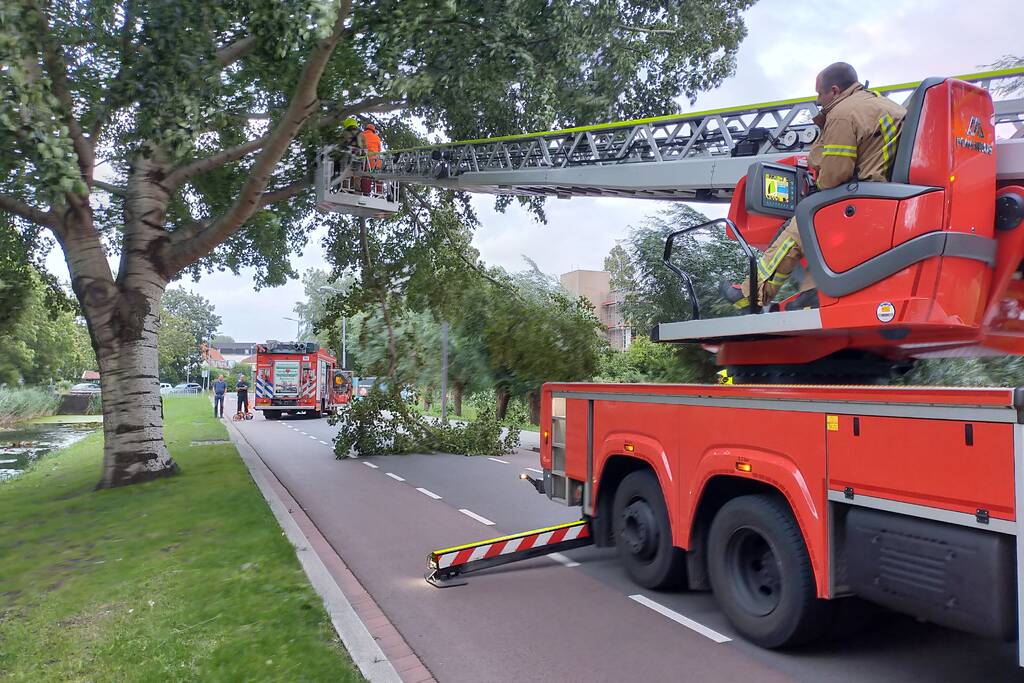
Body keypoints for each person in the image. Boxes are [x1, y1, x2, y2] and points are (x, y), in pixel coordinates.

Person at [720, 62, 907, 311]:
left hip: (860, 199)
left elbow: (835, 174)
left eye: (820, 94)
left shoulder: (843, 114)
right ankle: (810, 295)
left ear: (835, 89)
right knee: (823, 238)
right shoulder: (889, 106)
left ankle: (753, 293)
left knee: (800, 226)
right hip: (885, 200)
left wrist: (817, 185)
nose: (818, 100)